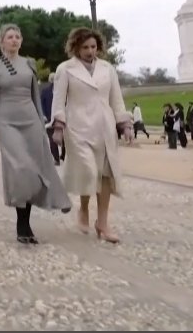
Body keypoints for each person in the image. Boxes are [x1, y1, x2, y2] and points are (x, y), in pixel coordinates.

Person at [0, 24, 72, 244]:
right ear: (1, 41)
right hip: (6, 121)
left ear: (21, 41)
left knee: (37, 168)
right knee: (21, 169)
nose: (14, 40)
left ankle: (26, 223)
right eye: (9, 37)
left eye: (17, 37)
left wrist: (43, 124)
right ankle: (20, 222)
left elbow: (35, 96)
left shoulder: (29, 63)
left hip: (31, 119)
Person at [51, 27, 132, 244]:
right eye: (85, 47)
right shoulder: (65, 69)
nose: (90, 51)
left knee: (105, 174)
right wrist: (58, 127)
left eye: (93, 47)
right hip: (77, 127)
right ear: (75, 47)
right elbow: (58, 101)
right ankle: (84, 207)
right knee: (89, 170)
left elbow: (116, 99)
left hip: (104, 127)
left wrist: (125, 124)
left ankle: (103, 223)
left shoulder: (108, 69)